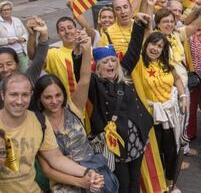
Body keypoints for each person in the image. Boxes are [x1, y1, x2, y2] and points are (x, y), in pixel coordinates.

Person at [34, 32, 118, 192]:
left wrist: (85, 50)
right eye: (48, 97)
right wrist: (81, 182)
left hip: (94, 174)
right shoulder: (37, 123)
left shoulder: (73, 108)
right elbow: (48, 170)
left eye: (58, 95)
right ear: (40, 99)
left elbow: (85, 78)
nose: (54, 101)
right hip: (64, 183)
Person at [82, 14, 153, 193]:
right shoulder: (94, 84)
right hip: (115, 144)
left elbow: (134, 48)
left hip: (136, 137)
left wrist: (137, 25)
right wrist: (80, 52)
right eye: (105, 62)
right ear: (98, 67)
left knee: (135, 179)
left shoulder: (125, 74)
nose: (110, 64)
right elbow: (80, 74)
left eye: (113, 60)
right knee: (123, 182)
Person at [0, 73, 103, 192]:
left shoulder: (39, 121)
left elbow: (55, 158)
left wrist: (87, 172)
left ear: (31, 95)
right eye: (13, 95)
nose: (19, 101)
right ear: (3, 95)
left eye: (25, 95)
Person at [131, 31, 189, 193]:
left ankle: (171, 184)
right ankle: (157, 186)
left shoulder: (166, 63)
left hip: (169, 116)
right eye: (153, 44)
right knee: (154, 154)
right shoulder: (138, 63)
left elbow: (177, 79)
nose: (155, 48)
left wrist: (183, 95)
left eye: (160, 46)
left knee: (171, 152)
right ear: (146, 44)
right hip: (149, 117)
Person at [0, 1, 29, 73]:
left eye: (9, 9)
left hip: (21, 52)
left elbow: (25, 33)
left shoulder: (17, 20)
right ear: (0, 11)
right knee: (10, 74)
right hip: (7, 54)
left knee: (24, 73)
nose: (7, 12)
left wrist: (23, 38)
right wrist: (7, 41)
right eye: (4, 10)